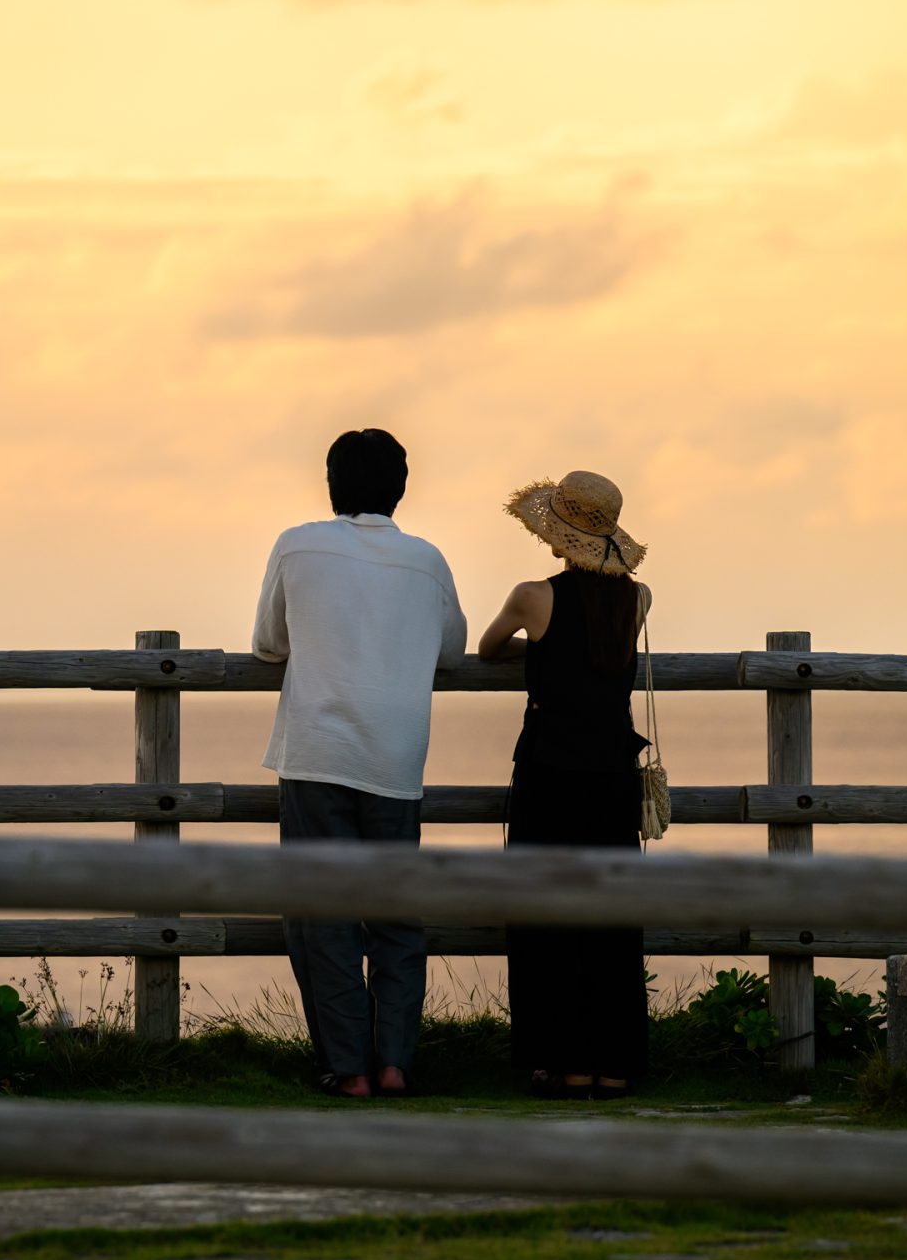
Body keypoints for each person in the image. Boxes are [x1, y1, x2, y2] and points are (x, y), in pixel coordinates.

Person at [252, 428, 467, 1099]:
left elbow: (266, 643)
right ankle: (396, 1060)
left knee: (323, 911)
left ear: (331, 483)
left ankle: (349, 1068)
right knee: (396, 911)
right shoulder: (427, 561)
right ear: (400, 488)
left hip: (318, 751)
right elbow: (454, 650)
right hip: (397, 756)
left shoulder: (297, 543)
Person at [476, 470, 653, 1100]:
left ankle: (562, 1060)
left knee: (544, 917)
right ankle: (614, 1062)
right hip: (612, 775)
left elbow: (489, 647)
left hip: (550, 773)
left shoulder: (531, 597)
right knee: (611, 917)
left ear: (557, 535)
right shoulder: (638, 599)